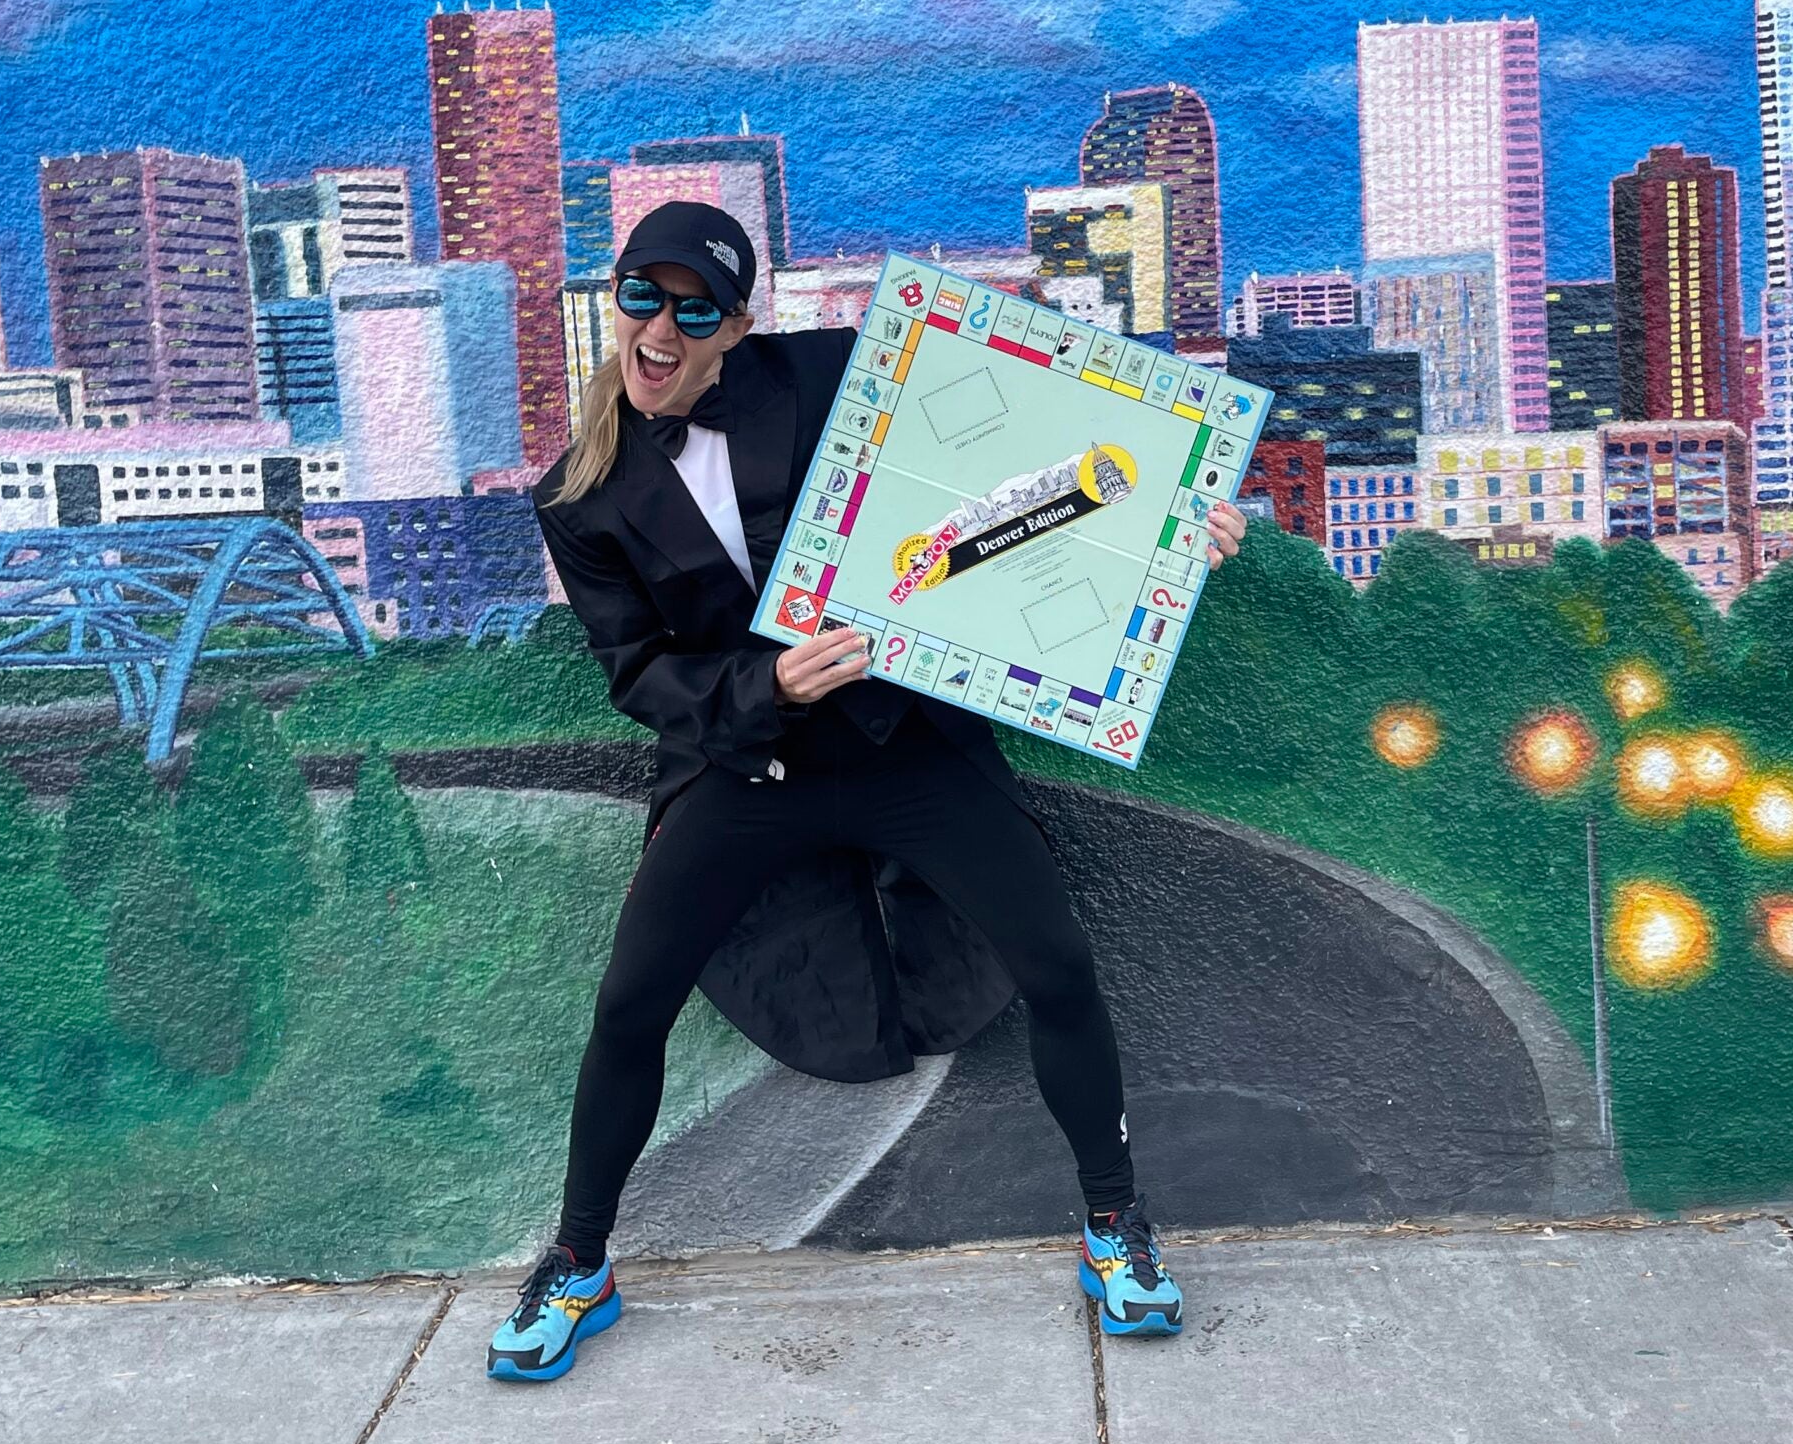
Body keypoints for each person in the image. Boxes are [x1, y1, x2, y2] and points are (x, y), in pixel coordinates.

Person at [487, 200, 1246, 1383]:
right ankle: (579, 1263)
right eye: (644, 297)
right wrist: (766, 684)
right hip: (746, 764)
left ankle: (1114, 1227)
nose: (662, 329)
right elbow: (637, 673)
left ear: (738, 324)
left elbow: (1009, 476)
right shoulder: (578, 496)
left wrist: (1172, 516)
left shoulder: (836, 372)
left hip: (907, 747)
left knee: (1056, 966)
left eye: (695, 309)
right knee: (630, 1005)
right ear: (615, 302)